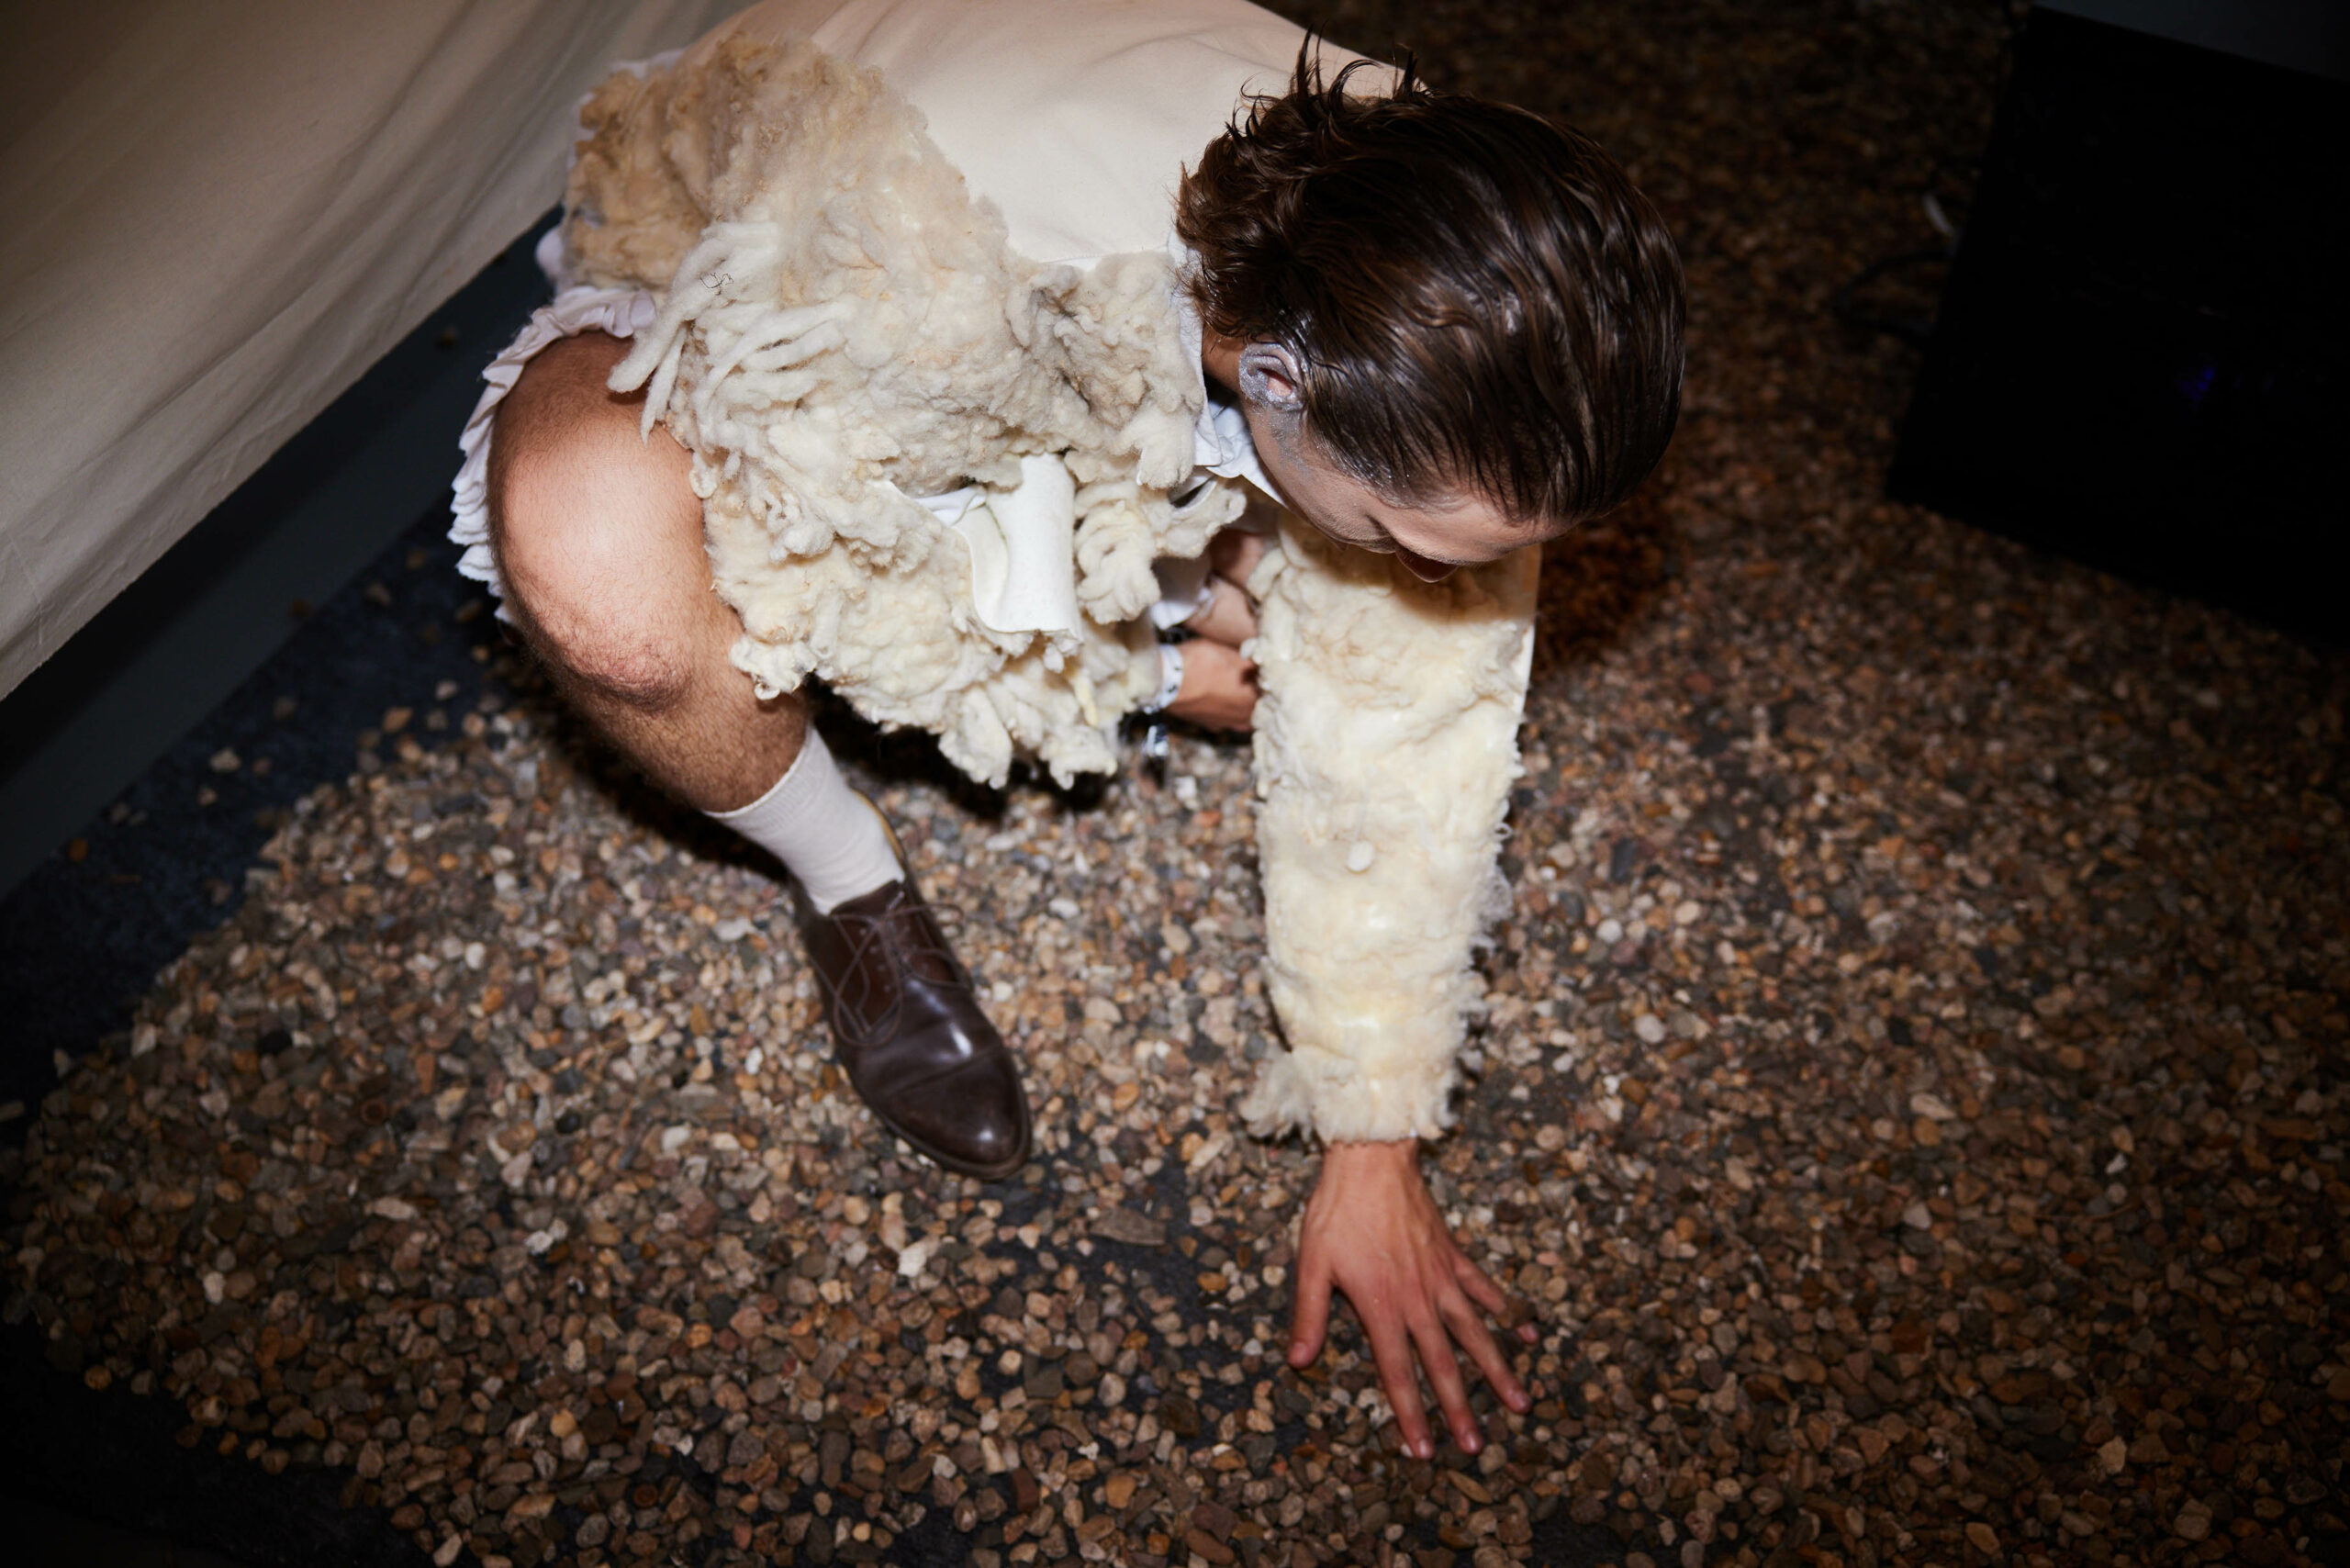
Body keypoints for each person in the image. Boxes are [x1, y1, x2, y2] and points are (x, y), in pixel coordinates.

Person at [452, 0, 1682, 1465]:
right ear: (1278, 379)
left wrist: (1374, 1134)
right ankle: (846, 880)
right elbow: (855, 582)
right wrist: (1146, 674)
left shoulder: (1453, 280)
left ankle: (1219, 553)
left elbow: (1411, 740)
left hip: (1072, 337)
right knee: (609, 579)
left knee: (1320, 630)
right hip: (770, 276)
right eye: (1408, 537)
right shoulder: (920, 260)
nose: (1445, 575)